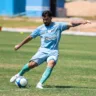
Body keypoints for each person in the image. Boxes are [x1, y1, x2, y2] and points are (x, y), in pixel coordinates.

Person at [10, 10, 90, 89]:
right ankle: (19, 74)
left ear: (51, 18)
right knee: (31, 64)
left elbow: (71, 24)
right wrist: (19, 45)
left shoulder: (58, 26)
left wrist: (82, 22)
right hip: (42, 51)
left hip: (53, 51)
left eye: (46, 19)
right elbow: (30, 37)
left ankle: (40, 84)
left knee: (51, 64)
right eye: (43, 19)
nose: (45, 21)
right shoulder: (40, 28)